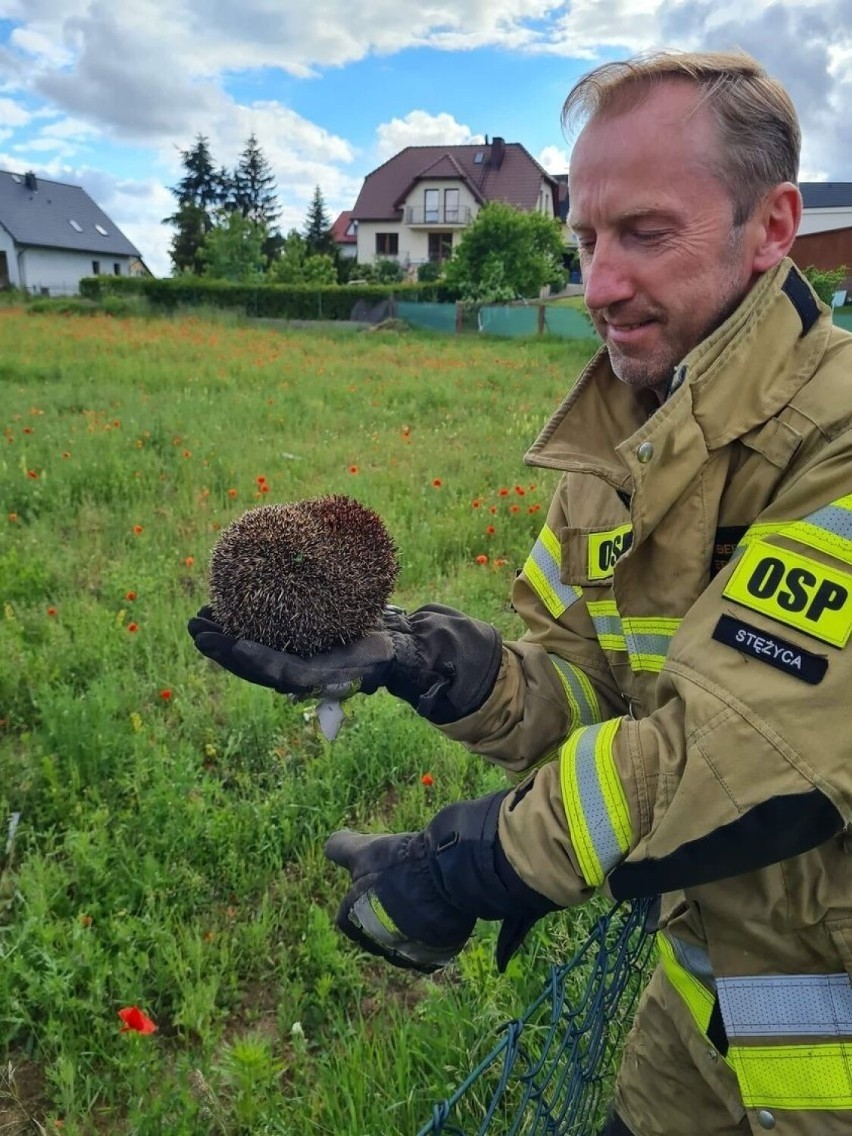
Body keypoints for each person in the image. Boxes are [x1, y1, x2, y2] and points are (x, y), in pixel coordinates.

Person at [189, 49, 852, 1136]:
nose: (596, 285)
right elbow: (590, 696)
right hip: (693, 1026)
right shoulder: (616, 453)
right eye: (586, 240)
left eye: (645, 232)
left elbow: (734, 760)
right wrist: (427, 660)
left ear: (771, 225)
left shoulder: (839, 441)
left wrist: (466, 865)